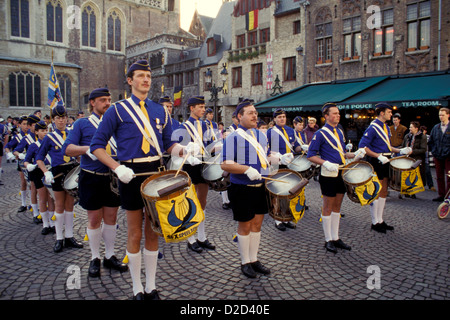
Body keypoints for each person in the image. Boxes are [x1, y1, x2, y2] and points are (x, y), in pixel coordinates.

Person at [90, 60, 187, 300]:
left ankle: (151, 286)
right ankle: (136, 288)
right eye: (141, 76)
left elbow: (167, 145)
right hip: (130, 176)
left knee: (153, 231)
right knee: (134, 232)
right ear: (130, 81)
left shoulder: (160, 110)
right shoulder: (117, 110)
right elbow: (96, 147)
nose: (146, 80)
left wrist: (184, 150)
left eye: (149, 76)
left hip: (156, 173)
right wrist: (116, 167)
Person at [63, 88, 127, 278]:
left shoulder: (115, 123)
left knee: (111, 218)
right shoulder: (83, 123)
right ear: (92, 102)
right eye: (102, 100)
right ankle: (94, 257)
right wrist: (87, 149)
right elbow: (68, 149)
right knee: (93, 219)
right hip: (91, 176)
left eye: (109, 99)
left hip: (112, 177)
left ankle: (109, 255)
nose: (108, 103)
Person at [221, 99, 274, 278]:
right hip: (241, 187)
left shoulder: (261, 135)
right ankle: (245, 262)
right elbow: (225, 164)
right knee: (245, 225)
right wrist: (246, 169)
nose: (255, 115)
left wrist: (278, 158)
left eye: (255, 113)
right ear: (239, 116)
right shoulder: (232, 137)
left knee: (257, 224)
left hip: (260, 186)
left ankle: (254, 259)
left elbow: (264, 157)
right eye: (250, 113)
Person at [307, 103, 363, 253]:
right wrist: (325, 163)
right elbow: (310, 155)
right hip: (328, 173)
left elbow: (342, 153)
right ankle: (328, 239)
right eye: (334, 114)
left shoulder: (339, 131)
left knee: (337, 207)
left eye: (338, 113)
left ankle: (336, 237)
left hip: (341, 172)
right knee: (328, 206)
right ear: (326, 116)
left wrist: (355, 154)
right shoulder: (320, 134)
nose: (337, 116)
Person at [358, 103, 411, 233]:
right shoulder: (373, 128)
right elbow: (363, 146)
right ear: (382, 113)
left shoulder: (386, 127)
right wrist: (378, 156)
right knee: (376, 189)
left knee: (384, 191)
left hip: (386, 159)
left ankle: (380, 220)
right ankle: (374, 222)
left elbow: (387, 146)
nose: (391, 114)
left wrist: (400, 150)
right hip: (377, 160)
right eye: (389, 112)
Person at [36, 103, 83, 253]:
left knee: (70, 205)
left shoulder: (72, 134)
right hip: (57, 172)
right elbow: (39, 158)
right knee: (59, 205)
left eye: (63, 118)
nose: (61, 121)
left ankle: (69, 236)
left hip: (72, 171)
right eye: (58, 118)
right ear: (53, 120)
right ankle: (59, 238)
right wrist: (45, 172)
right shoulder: (49, 137)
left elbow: (79, 153)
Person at [176, 96, 216, 253]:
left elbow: (209, 145)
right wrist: (188, 156)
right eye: (200, 107)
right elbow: (176, 148)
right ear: (191, 108)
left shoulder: (206, 125)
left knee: (203, 200)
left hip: (203, 163)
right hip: (189, 164)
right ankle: (190, 238)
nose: (203, 109)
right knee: (190, 201)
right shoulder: (184, 127)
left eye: (204, 106)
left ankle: (202, 236)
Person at [266, 108, 304, 231]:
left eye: (283, 116)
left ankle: (287, 217)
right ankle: (278, 220)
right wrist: (279, 157)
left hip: (290, 165)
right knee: (278, 193)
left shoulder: (290, 131)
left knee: (289, 192)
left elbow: (296, 147)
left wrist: (304, 147)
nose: (282, 119)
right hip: (277, 165)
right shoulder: (270, 132)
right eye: (279, 117)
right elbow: (267, 150)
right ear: (275, 119)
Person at [24, 120, 56, 235]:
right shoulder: (33, 146)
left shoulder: (51, 142)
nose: (45, 133)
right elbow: (26, 161)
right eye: (42, 131)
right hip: (38, 172)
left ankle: (53, 222)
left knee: (51, 198)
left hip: (50, 171)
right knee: (43, 198)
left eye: (46, 130)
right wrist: (29, 166)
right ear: (36, 132)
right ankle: (46, 223)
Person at [13, 114, 41, 222]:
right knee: (33, 189)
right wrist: (20, 155)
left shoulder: (44, 136)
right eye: (34, 125)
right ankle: (35, 212)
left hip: (43, 166)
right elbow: (16, 150)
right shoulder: (26, 139)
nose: (36, 127)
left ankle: (46, 214)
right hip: (33, 167)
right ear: (29, 126)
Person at [5, 116, 30, 212]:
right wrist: (10, 154)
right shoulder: (18, 137)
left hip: (32, 162)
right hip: (22, 162)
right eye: (24, 124)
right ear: (19, 125)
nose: (26, 126)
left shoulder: (33, 135)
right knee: (23, 182)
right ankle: (23, 203)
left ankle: (33, 205)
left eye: (27, 124)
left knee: (33, 185)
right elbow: (8, 146)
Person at [428, 107, 450, 202]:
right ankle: (441, 194)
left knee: (449, 176)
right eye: (440, 115)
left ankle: (448, 195)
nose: (441, 117)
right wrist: (434, 151)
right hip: (438, 155)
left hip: (449, 156)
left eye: (443, 115)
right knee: (439, 176)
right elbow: (431, 141)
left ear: (448, 115)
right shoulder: (436, 127)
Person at [401, 121, 427, 199]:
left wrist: (413, 151)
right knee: (406, 175)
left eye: (411, 127)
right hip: (407, 158)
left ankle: (413, 192)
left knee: (414, 175)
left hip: (416, 159)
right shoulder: (407, 136)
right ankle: (406, 191)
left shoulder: (422, 137)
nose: (409, 129)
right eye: (409, 127)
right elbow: (403, 146)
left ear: (416, 128)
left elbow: (423, 149)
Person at [420, 126, 435, 191]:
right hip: (420, 155)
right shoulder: (418, 137)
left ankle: (430, 185)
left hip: (426, 156)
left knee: (427, 171)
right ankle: (421, 185)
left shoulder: (428, 137)